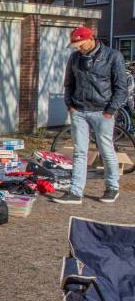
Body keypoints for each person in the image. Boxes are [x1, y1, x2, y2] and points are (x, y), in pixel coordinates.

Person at [51, 26, 128, 204]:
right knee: (79, 152)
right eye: (75, 45)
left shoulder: (112, 56)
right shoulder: (75, 58)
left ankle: (112, 187)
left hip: (103, 111)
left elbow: (121, 88)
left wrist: (110, 111)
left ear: (90, 39)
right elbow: (69, 83)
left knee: (105, 149)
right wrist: (70, 105)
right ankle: (75, 192)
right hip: (79, 110)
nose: (78, 48)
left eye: (80, 44)